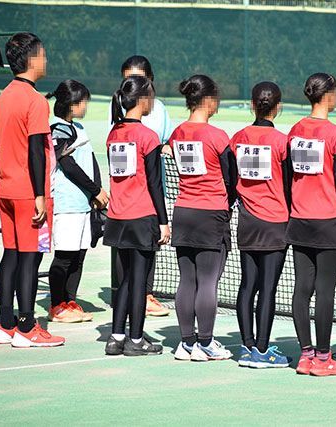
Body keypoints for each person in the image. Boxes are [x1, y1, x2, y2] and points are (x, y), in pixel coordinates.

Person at [0, 32, 65, 347]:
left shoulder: (4, 97)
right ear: (33, 59)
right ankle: (27, 327)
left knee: (11, 254)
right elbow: (36, 150)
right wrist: (39, 195)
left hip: (6, 188)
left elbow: (1, 143)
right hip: (29, 192)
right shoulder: (35, 101)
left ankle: (5, 324)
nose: (46, 60)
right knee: (30, 258)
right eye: (43, 55)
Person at [287, 73, 336, 376]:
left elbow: (290, 177)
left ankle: (306, 356)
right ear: (327, 96)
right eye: (335, 92)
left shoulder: (295, 131)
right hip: (329, 222)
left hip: (300, 220)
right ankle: (324, 358)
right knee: (325, 291)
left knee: (302, 289)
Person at [170, 75, 237, 362]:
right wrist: (228, 203)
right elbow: (231, 178)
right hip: (210, 214)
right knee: (208, 281)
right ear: (208, 100)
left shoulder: (177, 133)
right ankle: (206, 343)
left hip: (183, 212)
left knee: (187, 280)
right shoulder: (217, 136)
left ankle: (187, 343)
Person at [103, 75, 171, 356]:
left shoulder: (114, 133)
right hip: (142, 217)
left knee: (125, 281)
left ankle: (116, 337)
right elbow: (155, 183)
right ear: (143, 100)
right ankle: (136, 339)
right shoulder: (147, 137)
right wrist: (164, 221)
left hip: (118, 217)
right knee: (139, 282)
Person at [231, 82, 290, 369]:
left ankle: (247, 347)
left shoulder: (238, 138)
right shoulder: (282, 142)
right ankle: (263, 351)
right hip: (275, 223)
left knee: (247, 285)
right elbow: (290, 184)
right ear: (278, 107)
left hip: (248, 222)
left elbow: (231, 179)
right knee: (267, 289)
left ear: (253, 105)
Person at [47, 79, 109, 323]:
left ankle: (69, 301)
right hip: (67, 204)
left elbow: (90, 161)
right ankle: (56, 305)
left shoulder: (79, 127)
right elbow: (69, 166)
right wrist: (94, 190)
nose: (86, 106)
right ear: (72, 105)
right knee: (64, 256)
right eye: (83, 102)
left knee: (79, 256)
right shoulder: (57, 129)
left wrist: (97, 192)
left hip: (84, 204)